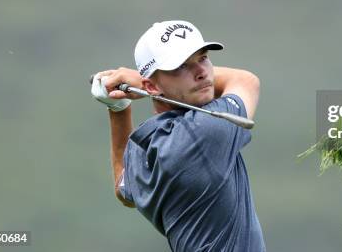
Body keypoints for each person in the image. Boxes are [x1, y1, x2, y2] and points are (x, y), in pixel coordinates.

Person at [90, 20, 266, 252]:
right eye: (181, 66)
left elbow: (124, 188)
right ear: (150, 87)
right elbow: (246, 81)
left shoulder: (146, 142)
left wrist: (119, 110)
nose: (202, 73)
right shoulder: (204, 130)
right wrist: (137, 79)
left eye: (202, 58)